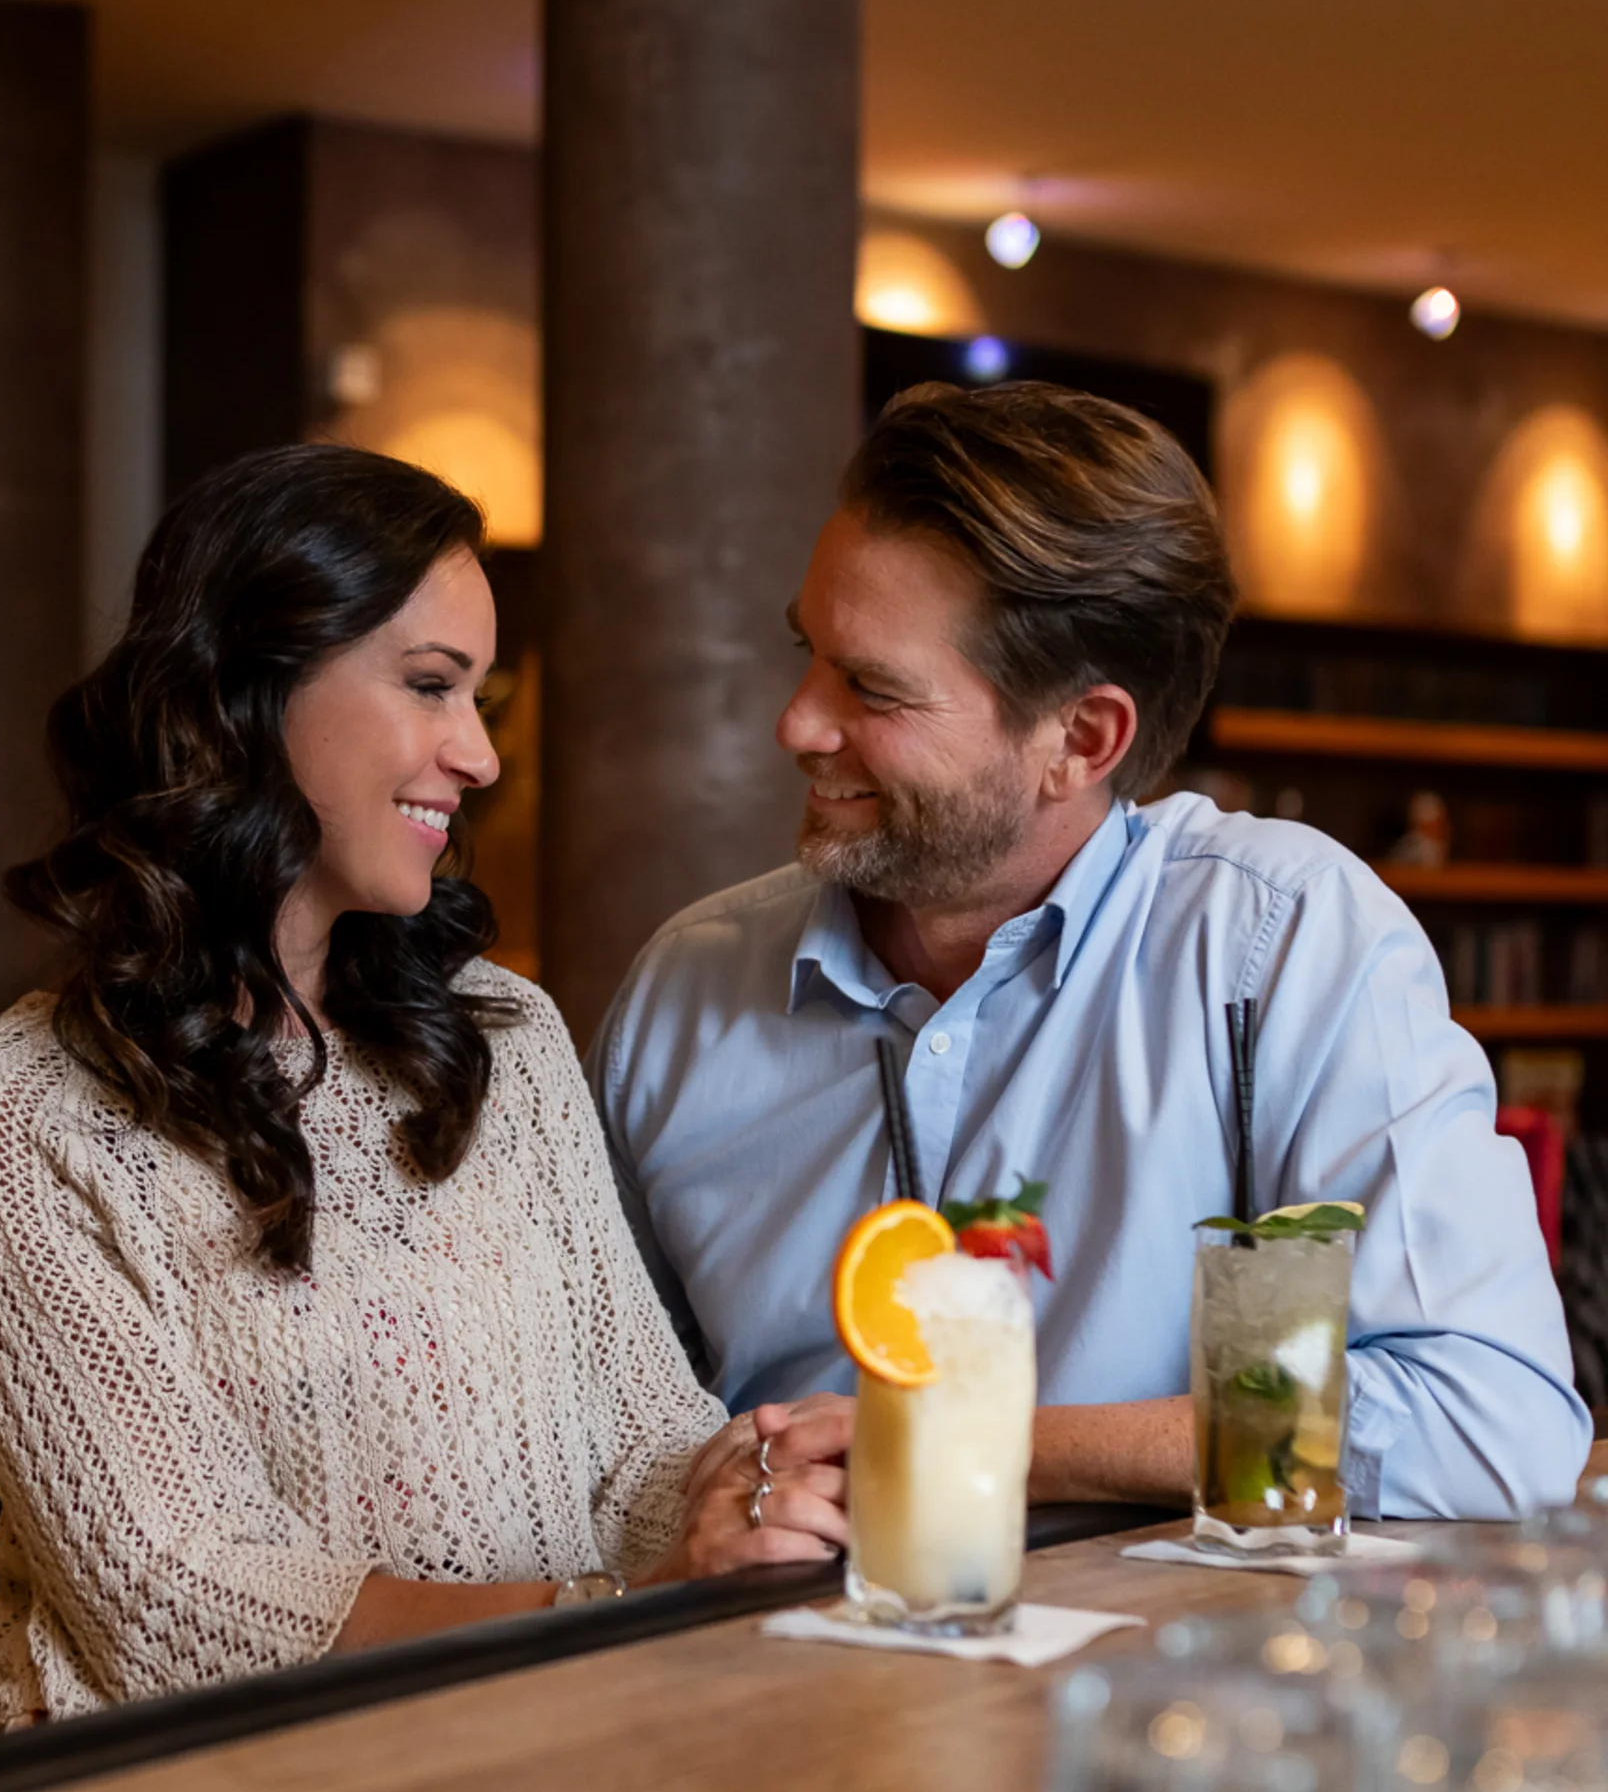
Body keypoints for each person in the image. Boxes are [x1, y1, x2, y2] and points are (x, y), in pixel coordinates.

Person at [0, 445, 848, 1732]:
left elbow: (642, 1442)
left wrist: (745, 1487)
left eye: (479, 696)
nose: (479, 756)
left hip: (513, 1759)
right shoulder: (22, 1107)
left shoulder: (506, 1039)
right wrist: (602, 1610)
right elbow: (172, 1608)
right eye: (429, 686)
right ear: (246, 693)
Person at [591, 381, 1590, 1520]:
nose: (798, 723)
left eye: (871, 688)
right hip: (737, 1675)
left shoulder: (1284, 944)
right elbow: (599, 1450)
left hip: (1156, 1687)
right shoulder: (685, 988)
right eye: (807, 651)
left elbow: (1484, 1422)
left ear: (1082, 737)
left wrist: (974, 1443)